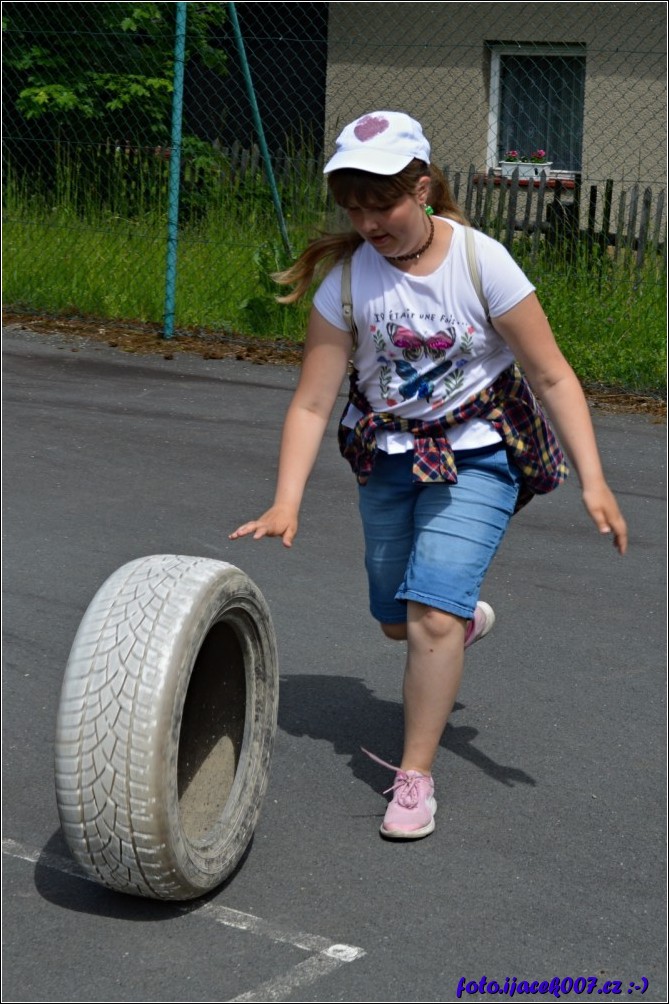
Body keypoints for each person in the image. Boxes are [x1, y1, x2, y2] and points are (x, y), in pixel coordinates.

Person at [230, 111, 627, 840]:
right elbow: (314, 399)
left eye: (381, 205)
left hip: (481, 450)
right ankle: (459, 617)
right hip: (387, 453)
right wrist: (285, 499)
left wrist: (594, 481)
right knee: (395, 622)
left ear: (421, 187)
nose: (367, 221)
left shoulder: (481, 263)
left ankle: (413, 777)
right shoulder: (347, 282)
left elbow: (551, 374)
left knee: (429, 619)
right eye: (353, 207)